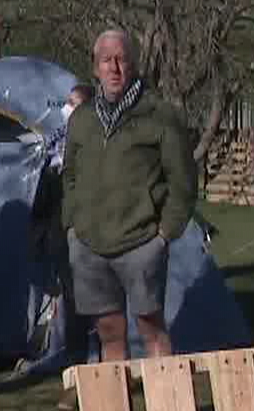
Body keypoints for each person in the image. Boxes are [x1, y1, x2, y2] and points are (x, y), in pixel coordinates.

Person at [62, 28, 195, 364]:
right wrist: (72, 227)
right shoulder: (82, 119)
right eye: (107, 60)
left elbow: (183, 181)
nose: (114, 68)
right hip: (90, 246)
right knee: (109, 330)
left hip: (142, 243)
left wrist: (164, 236)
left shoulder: (158, 115)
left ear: (133, 65)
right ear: (95, 68)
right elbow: (70, 175)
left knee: (150, 328)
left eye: (121, 59)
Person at [22, 84, 92, 377]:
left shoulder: (90, 147)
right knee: (61, 295)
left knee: (80, 297)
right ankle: (57, 351)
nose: (66, 109)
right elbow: (44, 199)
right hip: (55, 235)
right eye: (67, 104)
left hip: (80, 235)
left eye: (72, 104)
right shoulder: (54, 151)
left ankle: (78, 355)